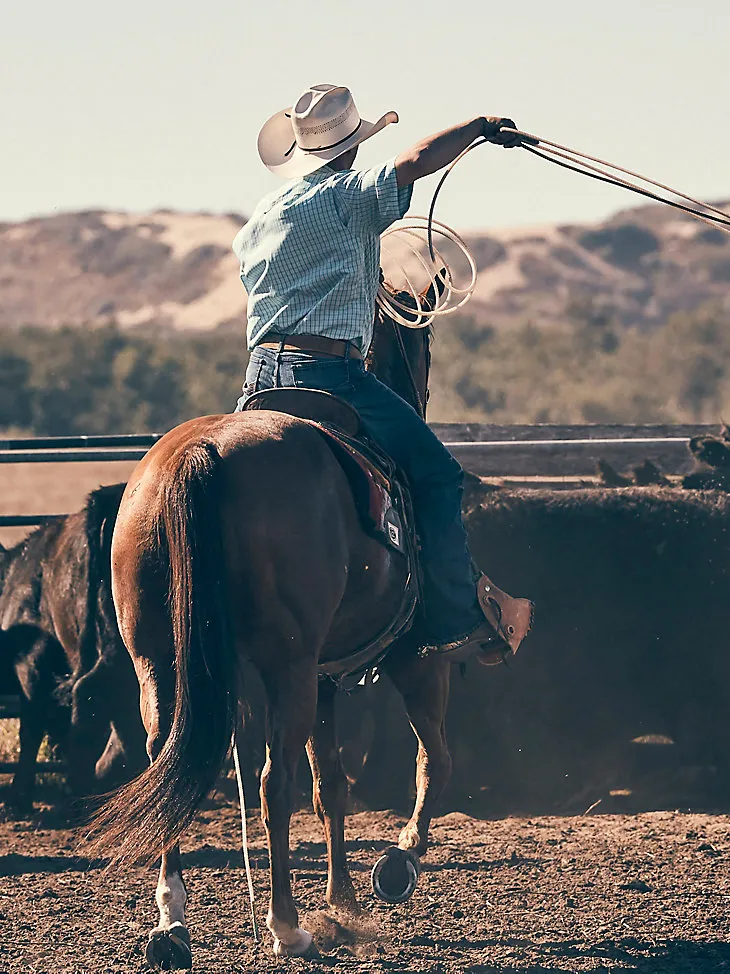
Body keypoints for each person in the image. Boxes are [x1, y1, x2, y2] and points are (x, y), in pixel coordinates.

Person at [232, 84, 532, 661]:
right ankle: (452, 618)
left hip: (260, 383)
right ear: (352, 144)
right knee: (440, 475)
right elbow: (414, 162)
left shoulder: (262, 217)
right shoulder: (347, 195)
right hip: (329, 375)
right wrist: (478, 126)